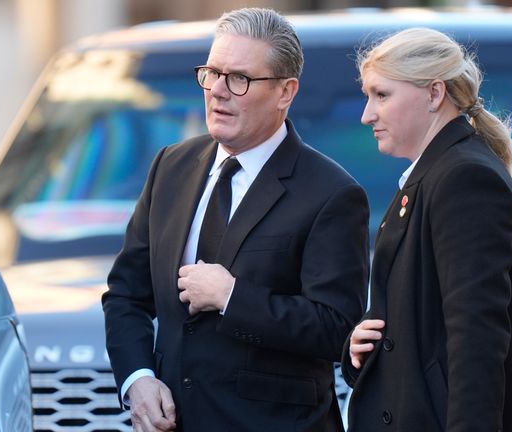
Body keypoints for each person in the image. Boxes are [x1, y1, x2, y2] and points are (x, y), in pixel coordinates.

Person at [102, 7, 370, 432]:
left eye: (239, 79)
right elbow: (125, 295)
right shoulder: (170, 166)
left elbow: (336, 327)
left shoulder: (332, 193)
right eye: (212, 73)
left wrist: (232, 298)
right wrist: (138, 380)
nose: (218, 91)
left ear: (286, 91)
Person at [342, 27, 512, 431]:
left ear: (435, 94)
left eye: (381, 95)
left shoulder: (463, 177)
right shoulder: (438, 174)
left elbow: (476, 343)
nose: (367, 115)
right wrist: (363, 347)